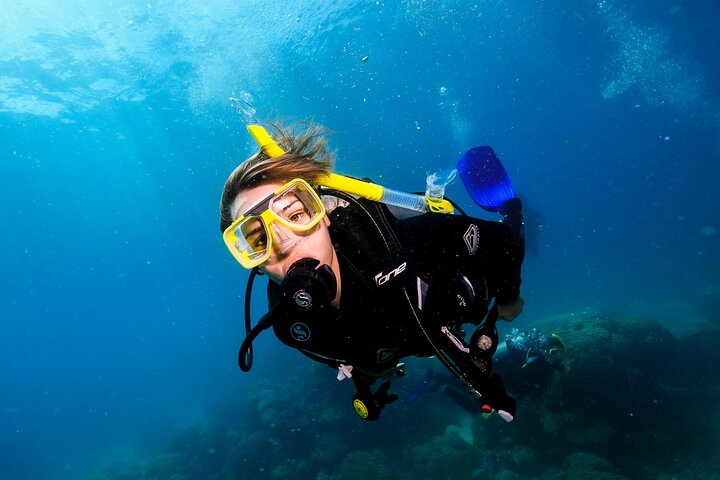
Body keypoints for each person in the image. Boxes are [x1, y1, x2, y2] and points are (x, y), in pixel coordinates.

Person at [219, 122, 526, 422]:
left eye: (296, 215)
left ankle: (511, 207)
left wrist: (509, 297)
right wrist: (379, 368)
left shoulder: (393, 243)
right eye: (260, 239)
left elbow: (502, 243)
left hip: (471, 287)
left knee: (510, 232)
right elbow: (347, 355)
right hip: (422, 333)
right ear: (254, 262)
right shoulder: (291, 327)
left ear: (323, 215)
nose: (284, 243)